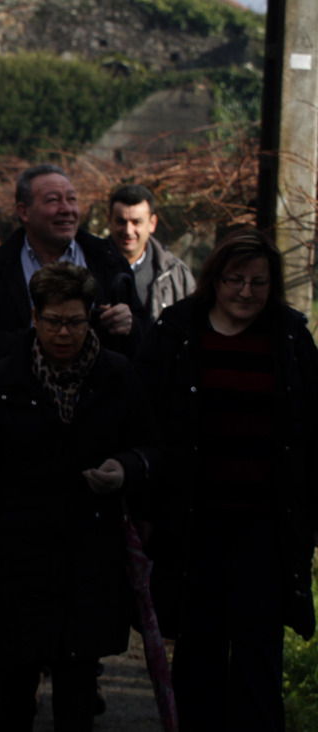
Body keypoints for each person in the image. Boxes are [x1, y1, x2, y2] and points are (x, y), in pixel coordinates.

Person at [0, 262, 158, 732]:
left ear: (91, 319)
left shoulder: (117, 374)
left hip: (90, 554)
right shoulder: (5, 380)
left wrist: (125, 469)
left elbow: (152, 447)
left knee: (77, 698)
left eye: (75, 321)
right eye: (53, 322)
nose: (63, 333)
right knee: (14, 699)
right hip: (17, 556)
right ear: (35, 317)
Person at [136, 229, 318, 732]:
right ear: (214, 279)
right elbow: (149, 421)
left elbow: (311, 431)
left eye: (258, 282)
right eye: (235, 279)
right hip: (194, 521)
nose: (245, 292)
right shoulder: (177, 335)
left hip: (265, 522)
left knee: (259, 646)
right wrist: (147, 506)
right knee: (199, 645)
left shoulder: (290, 339)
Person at [0, 164, 147, 373]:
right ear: (23, 211)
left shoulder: (108, 261)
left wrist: (130, 326)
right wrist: (37, 340)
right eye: (54, 200)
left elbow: (147, 340)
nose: (67, 209)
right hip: (18, 398)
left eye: (72, 199)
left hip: (95, 400)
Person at [106, 184, 195, 321]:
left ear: (152, 223)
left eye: (136, 222)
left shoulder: (176, 274)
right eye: (121, 222)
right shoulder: (88, 265)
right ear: (109, 221)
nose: (128, 231)